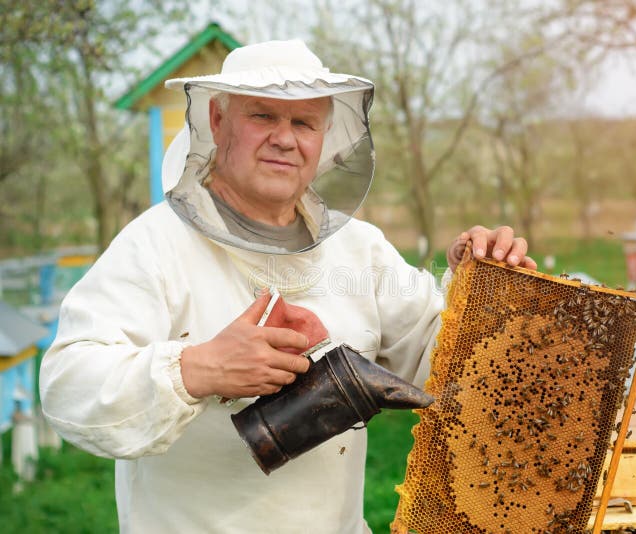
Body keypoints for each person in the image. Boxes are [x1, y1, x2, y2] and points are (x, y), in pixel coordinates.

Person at [39, 40, 536, 533]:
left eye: (303, 123)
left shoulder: (359, 250)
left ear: (323, 138)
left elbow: (448, 369)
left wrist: (483, 292)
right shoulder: (155, 245)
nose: (285, 138)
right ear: (217, 121)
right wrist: (200, 368)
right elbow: (67, 384)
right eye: (263, 117)